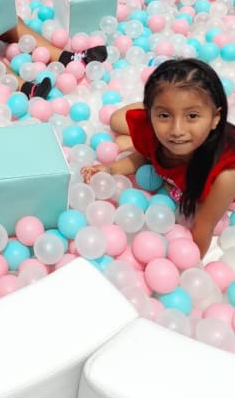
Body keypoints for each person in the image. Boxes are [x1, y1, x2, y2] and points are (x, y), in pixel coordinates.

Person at [81, 58, 235, 258]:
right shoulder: (155, 133)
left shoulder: (225, 174)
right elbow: (147, 156)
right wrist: (111, 169)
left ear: (215, 118)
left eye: (192, 116)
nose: (177, 130)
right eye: (164, 115)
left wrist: (187, 266)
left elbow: (203, 226)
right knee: (116, 120)